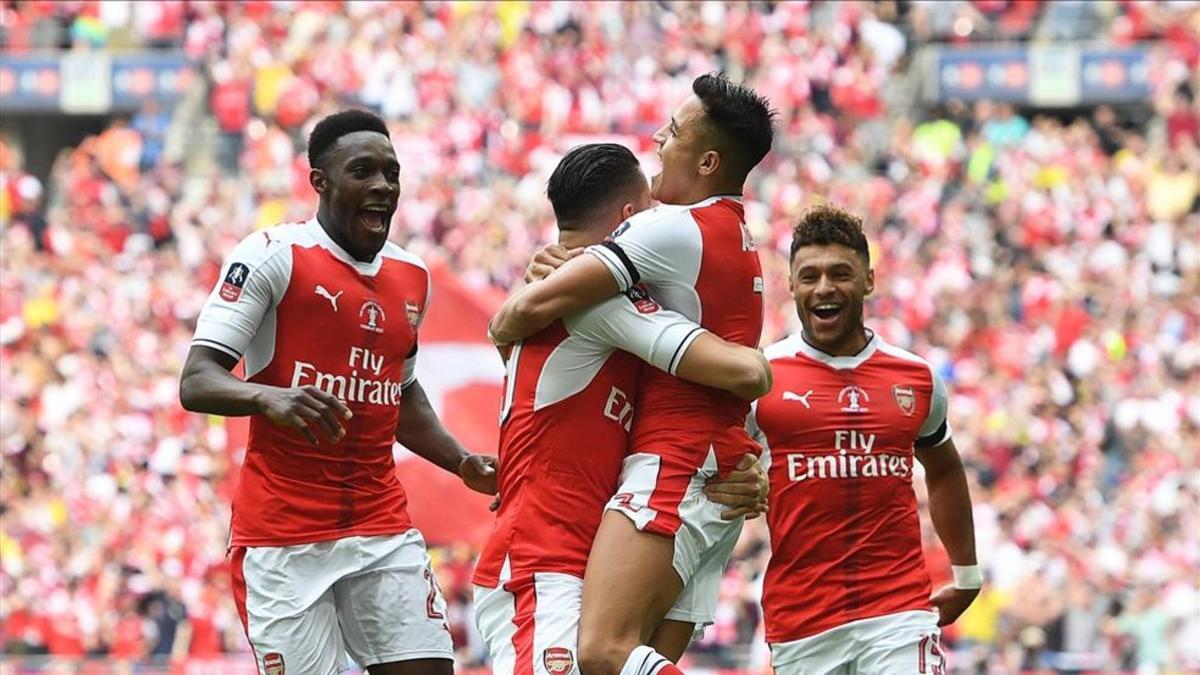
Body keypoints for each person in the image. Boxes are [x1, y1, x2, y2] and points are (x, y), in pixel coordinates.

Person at [178, 109, 498, 675]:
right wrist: (266, 397)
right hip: (282, 539)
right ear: (320, 182)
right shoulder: (273, 255)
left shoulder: (412, 276)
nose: (382, 186)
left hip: (381, 525)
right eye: (363, 171)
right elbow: (197, 378)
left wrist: (460, 460)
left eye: (391, 173)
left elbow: (402, 395)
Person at [488, 73, 776, 675]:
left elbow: (520, 317)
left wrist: (521, 304)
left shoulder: (665, 230)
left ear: (708, 160)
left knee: (605, 653)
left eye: (670, 132)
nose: (658, 141)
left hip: (672, 469)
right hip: (681, 483)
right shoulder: (729, 234)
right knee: (620, 657)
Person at [749, 204, 980, 674]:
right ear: (791, 286)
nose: (824, 288)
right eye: (809, 276)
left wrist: (968, 573)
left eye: (840, 273)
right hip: (802, 622)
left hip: (899, 614)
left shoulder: (915, 379)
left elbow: (944, 467)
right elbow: (708, 471)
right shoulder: (759, 378)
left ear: (869, 281)